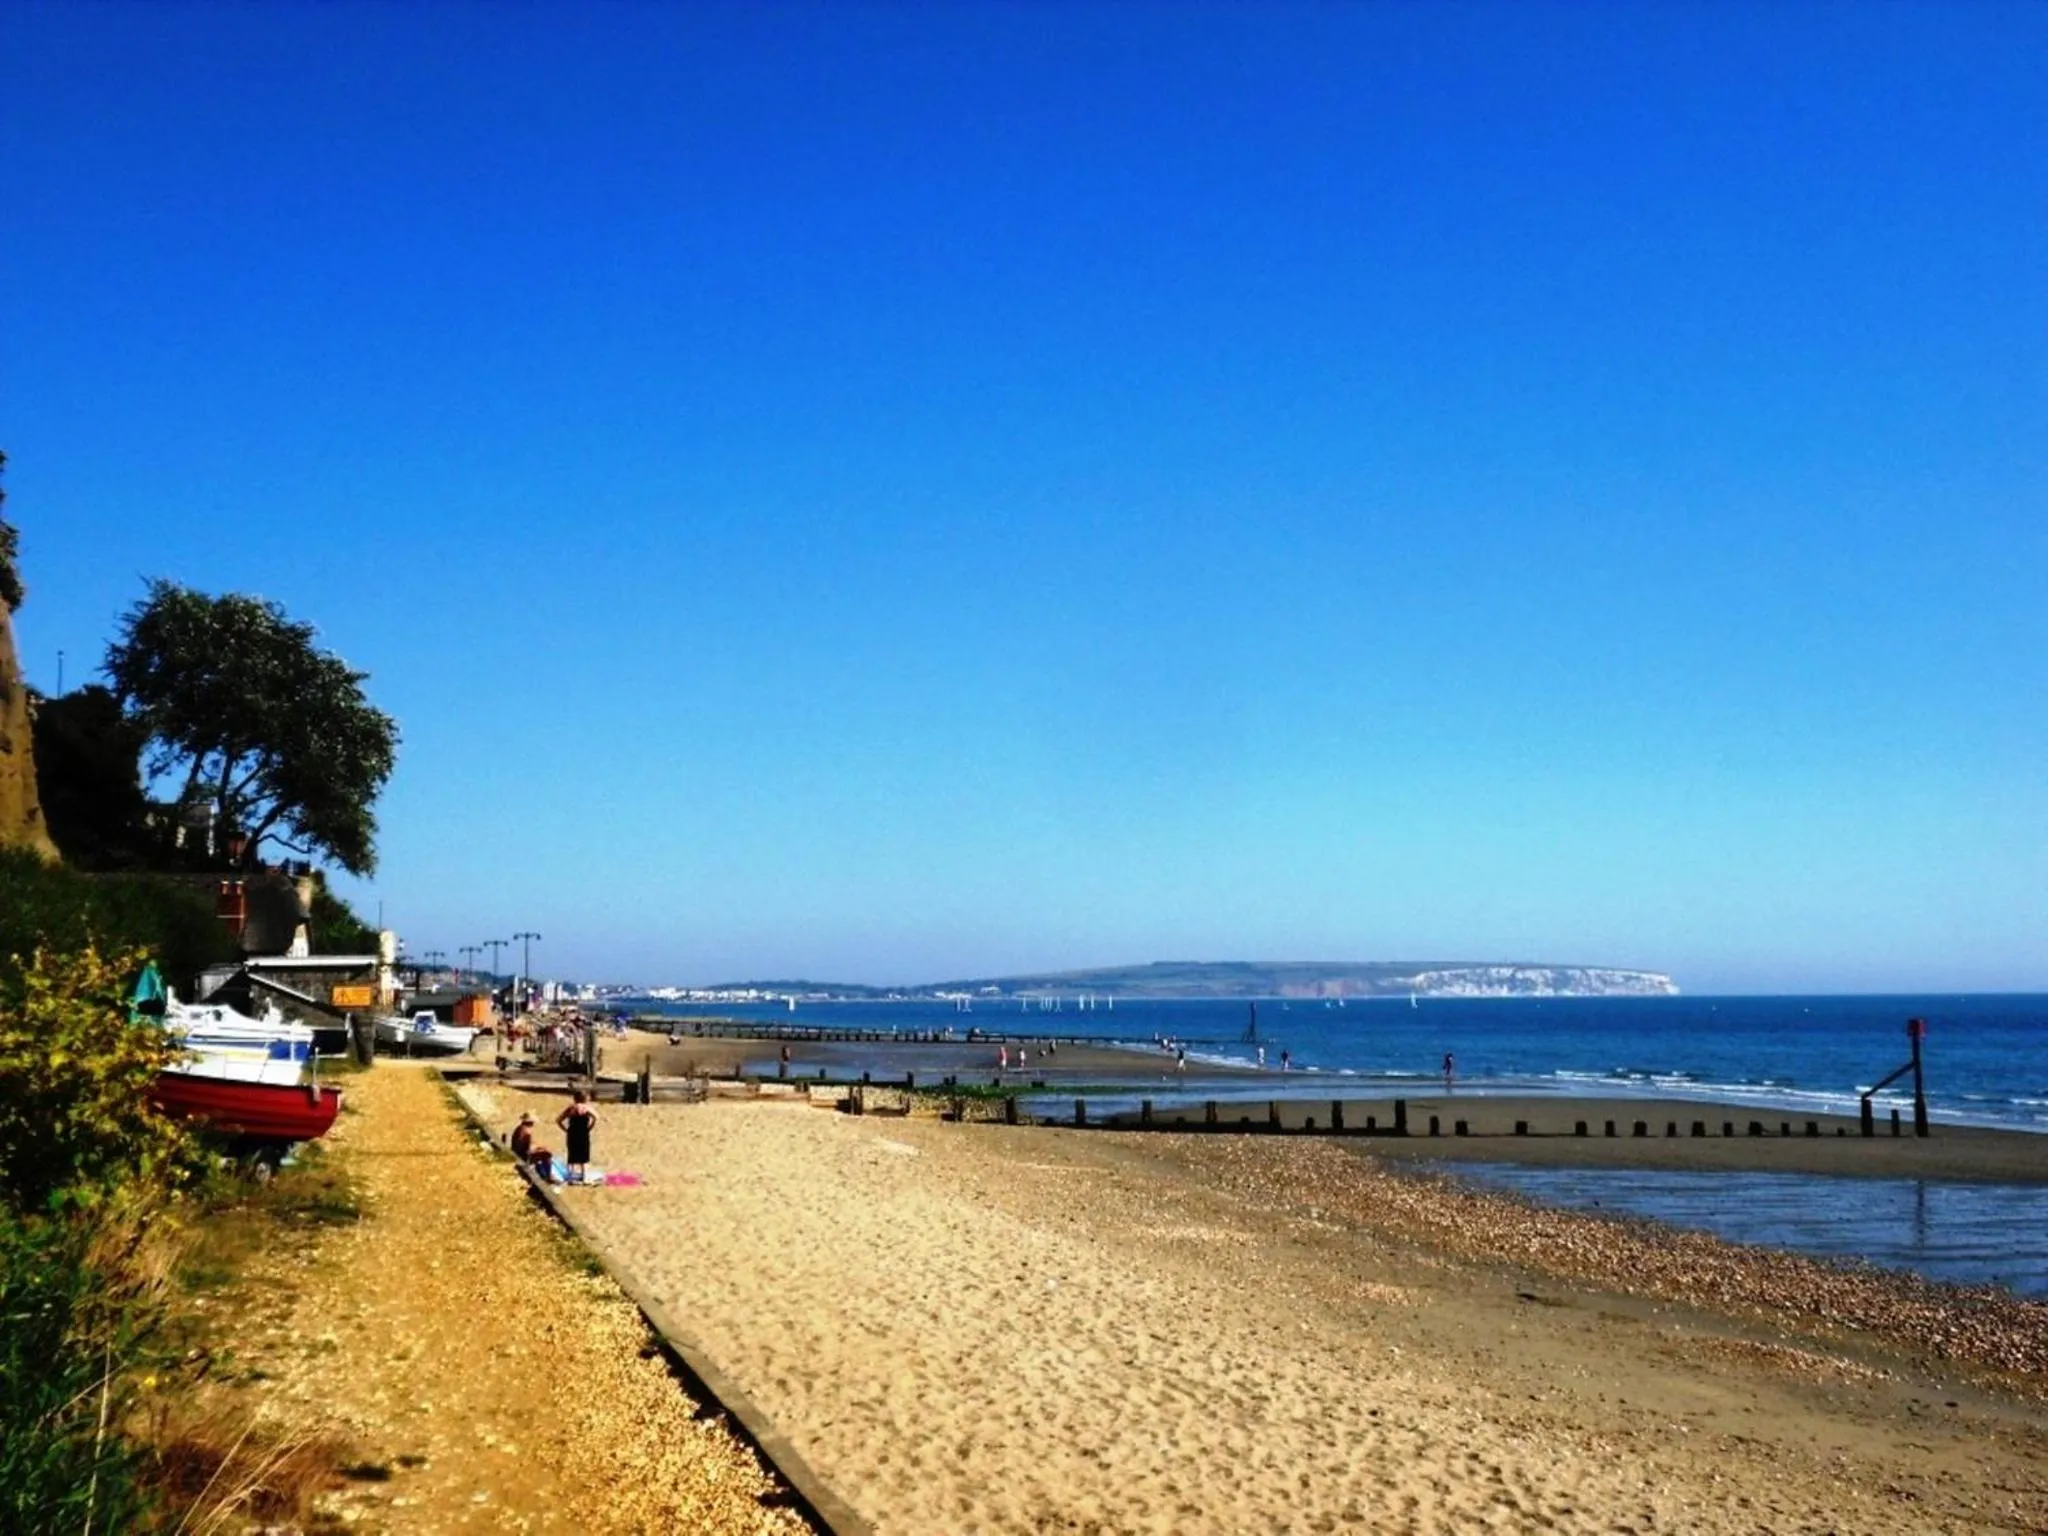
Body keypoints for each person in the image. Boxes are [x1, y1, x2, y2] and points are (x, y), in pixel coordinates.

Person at [556, 1090, 598, 1183]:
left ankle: (570, 1177)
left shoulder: (571, 1108)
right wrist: (590, 1127)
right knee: (584, 1155)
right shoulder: (586, 1108)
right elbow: (595, 1117)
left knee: (572, 1154)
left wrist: (566, 1130)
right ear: (585, 1098)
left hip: (572, 1133)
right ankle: (584, 1177)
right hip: (583, 1133)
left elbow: (558, 1120)